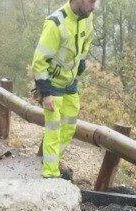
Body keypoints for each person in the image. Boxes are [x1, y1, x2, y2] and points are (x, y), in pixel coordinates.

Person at [31, 0, 95, 178]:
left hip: (70, 82)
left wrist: (81, 61)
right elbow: (39, 61)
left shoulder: (87, 17)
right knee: (53, 128)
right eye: (91, 1)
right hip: (53, 85)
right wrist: (45, 93)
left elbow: (87, 40)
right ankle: (50, 174)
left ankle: (52, 160)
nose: (94, 6)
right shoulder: (55, 23)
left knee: (69, 127)